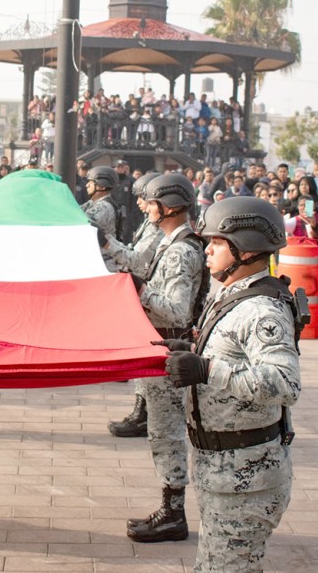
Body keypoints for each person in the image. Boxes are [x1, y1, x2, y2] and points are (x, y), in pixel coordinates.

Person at [163, 196, 300, 573]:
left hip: (246, 477)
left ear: (246, 248)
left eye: (217, 243)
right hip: (224, 471)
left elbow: (285, 382)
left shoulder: (261, 310)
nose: (207, 251)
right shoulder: (233, 294)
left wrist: (207, 369)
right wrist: (192, 350)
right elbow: (234, 354)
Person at [99, 173, 206, 543]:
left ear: (170, 206)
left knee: (166, 434)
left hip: (168, 349)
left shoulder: (180, 251)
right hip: (161, 346)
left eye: (152, 202)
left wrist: (139, 288)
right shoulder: (172, 244)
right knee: (163, 432)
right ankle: (171, 509)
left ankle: (173, 513)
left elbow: (177, 310)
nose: (146, 208)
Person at [105, 171, 175, 438]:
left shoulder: (159, 230)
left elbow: (137, 259)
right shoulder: (150, 224)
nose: (139, 203)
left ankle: (144, 415)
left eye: (144, 198)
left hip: (155, 299)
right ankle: (141, 412)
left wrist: (107, 243)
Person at [81, 165, 120, 273]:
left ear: (102, 186)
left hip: (102, 264)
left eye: (91, 182)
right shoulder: (93, 202)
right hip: (95, 260)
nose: (87, 185)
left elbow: (82, 223)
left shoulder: (104, 206)